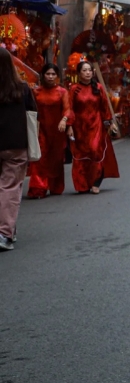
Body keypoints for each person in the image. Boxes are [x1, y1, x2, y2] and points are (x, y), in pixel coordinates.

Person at [0, 49, 35, 250]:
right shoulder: (22, 89)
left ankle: (7, 230)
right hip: (16, 144)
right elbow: (33, 114)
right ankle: (5, 232)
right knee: (10, 188)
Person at [68, 60, 120, 195]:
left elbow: (104, 107)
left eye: (89, 70)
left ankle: (96, 181)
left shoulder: (98, 87)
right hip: (79, 127)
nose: (87, 73)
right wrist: (69, 126)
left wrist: (109, 122)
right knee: (81, 155)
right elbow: (70, 109)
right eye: (84, 70)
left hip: (96, 125)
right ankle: (83, 184)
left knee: (95, 151)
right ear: (79, 73)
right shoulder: (74, 89)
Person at [27, 64, 70, 200]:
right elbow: (31, 110)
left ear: (57, 76)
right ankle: (38, 188)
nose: (50, 77)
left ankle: (55, 186)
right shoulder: (36, 92)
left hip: (57, 130)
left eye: (53, 74)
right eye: (48, 74)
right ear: (43, 75)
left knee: (56, 158)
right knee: (40, 158)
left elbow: (68, 109)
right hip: (41, 129)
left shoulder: (62, 92)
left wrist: (64, 120)